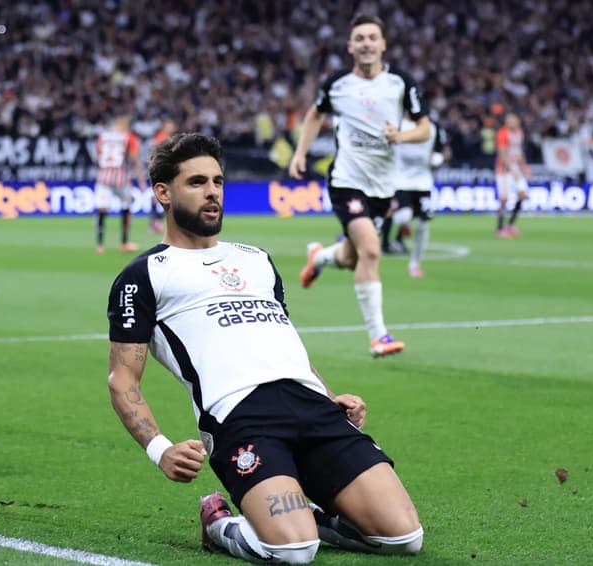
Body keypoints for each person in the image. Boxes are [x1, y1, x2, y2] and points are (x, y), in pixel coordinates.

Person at [107, 133, 423, 565]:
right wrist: (159, 448)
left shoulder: (256, 259)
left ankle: (316, 516)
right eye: (197, 182)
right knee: (295, 551)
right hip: (241, 417)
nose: (212, 192)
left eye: (218, 181)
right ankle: (220, 523)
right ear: (163, 192)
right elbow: (122, 377)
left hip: (310, 405)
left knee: (406, 537)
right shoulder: (144, 275)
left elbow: (281, 340)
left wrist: (328, 397)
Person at [288, 13, 431, 357]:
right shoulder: (337, 84)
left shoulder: (401, 82)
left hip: (383, 187)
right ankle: (378, 336)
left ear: (383, 44)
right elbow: (314, 114)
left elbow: (424, 127)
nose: (366, 43)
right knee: (370, 251)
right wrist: (300, 153)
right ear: (350, 46)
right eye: (360, 38)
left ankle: (319, 257)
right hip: (346, 181)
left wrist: (403, 135)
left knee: (353, 258)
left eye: (372, 37)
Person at [380, 116, 448, 278]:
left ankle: (415, 264)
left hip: (423, 183)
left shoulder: (432, 127)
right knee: (403, 217)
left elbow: (439, 150)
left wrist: (437, 158)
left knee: (423, 225)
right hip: (401, 181)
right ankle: (403, 224)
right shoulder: (397, 124)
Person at [94, 114, 147, 253]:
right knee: (126, 208)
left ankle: (100, 245)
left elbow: (98, 156)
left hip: (103, 177)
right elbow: (135, 159)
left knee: (102, 209)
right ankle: (124, 242)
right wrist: (141, 180)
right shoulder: (129, 137)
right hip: (121, 178)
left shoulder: (103, 137)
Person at [494, 112, 530, 238]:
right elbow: (502, 153)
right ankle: (499, 228)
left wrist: (524, 167)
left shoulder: (519, 132)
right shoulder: (502, 133)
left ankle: (511, 225)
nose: (512, 123)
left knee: (522, 194)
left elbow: (519, 151)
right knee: (504, 199)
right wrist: (510, 169)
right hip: (504, 170)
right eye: (509, 121)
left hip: (516, 168)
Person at [149, 118, 178, 234]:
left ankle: (154, 223)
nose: (172, 128)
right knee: (162, 196)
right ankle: (156, 223)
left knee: (159, 197)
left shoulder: (165, 137)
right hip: (162, 170)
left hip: (162, 169)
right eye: (170, 125)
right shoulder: (162, 138)